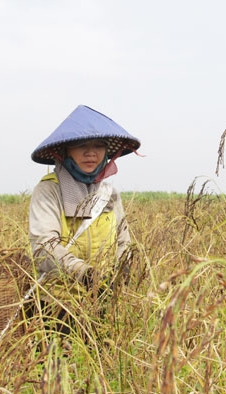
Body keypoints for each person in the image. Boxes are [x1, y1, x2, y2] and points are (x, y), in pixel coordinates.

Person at [28, 105, 141, 309]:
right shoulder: (49, 191)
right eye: (81, 146)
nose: (91, 153)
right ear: (65, 151)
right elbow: (44, 248)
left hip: (102, 299)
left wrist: (122, 273)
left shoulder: (109, 194)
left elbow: (124, 242)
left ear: (107, 151)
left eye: (98, 146)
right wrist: (84, 273)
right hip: (56, 303)